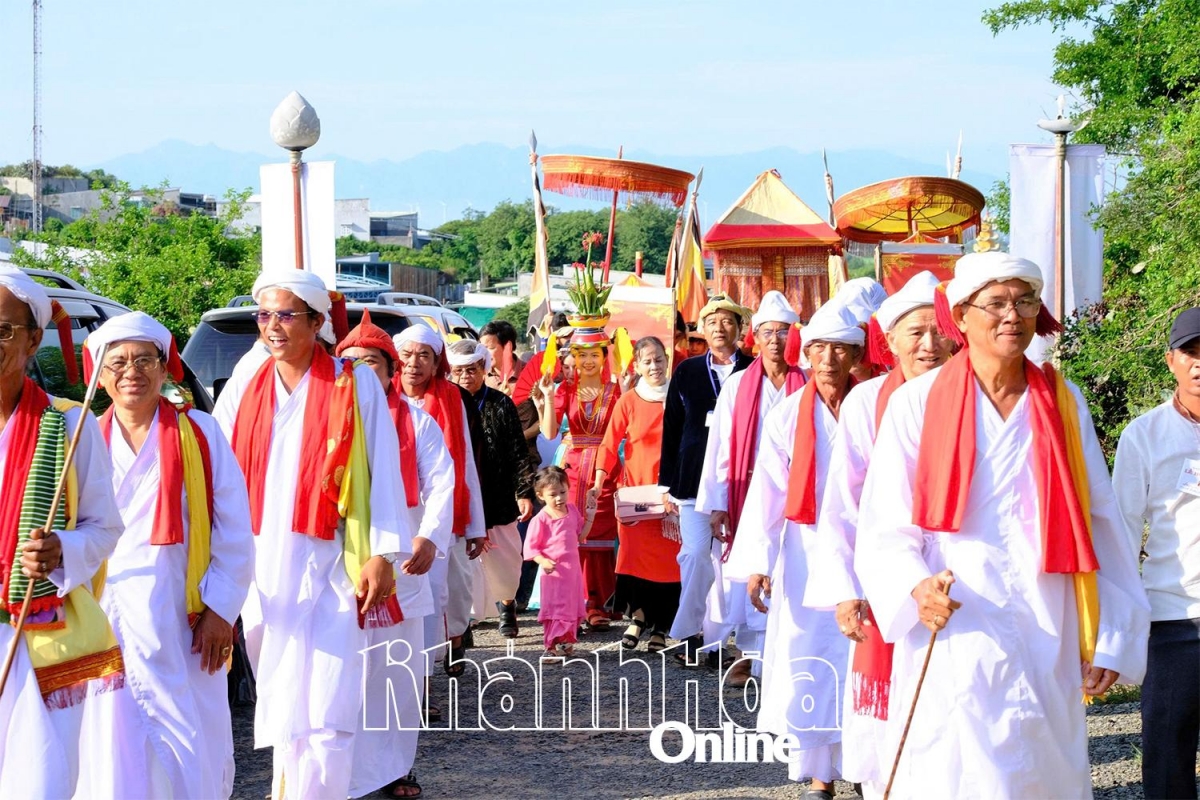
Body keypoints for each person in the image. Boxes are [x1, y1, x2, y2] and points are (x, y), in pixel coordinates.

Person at [855, 251, 1151, 797]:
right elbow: (884, 526)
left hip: (1047, 623)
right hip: (955, 623)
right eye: (996, 303)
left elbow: (1100, 520)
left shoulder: (1063, 403)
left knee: (1042, 768)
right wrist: (914, 587)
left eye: (1025, 301)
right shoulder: (916, 406)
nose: (1012, 315)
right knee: (949, 770)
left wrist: (1109, 634)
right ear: (961, 317)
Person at [213, 269, 411, 799]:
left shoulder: (353, 380)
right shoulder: (247, 379)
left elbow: (382, 467)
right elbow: (218, 467)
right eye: (264, 315)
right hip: (262, 562)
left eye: (285, 315)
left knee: (330, 700)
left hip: (334, 557)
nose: (272, 326)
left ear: (318, 322)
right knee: (280, 697)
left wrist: (384, 553)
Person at [88, 312, 254, 799]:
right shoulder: (83, 441)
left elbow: (234, 529)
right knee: (106, 742)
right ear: (100, 376)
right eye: (116, 363)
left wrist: (221, 610)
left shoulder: (200, 432)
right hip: (104, 619)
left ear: (165, 369)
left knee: (188, 739)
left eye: (144, 360)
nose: (130, 372)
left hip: (181, 622)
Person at [802, 272, 951, 796]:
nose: (928, 346)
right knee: (888, 716)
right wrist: (845, 590)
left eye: (939, 332)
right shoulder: (867, 402)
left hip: (959, 577)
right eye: (914, 334)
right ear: (891, 341)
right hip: (887, 574)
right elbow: (843, 503)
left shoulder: (973, 396)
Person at [726, 300, 865, 798]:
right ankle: (819, 775)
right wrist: (758, 564)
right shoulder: (788, 414)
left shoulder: (871, 407)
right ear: (805, 355)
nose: (829, 360)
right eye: (819, 349)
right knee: (811, 659)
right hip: (805, 554)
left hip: (863, 551)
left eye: (841, 349)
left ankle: (868, 764)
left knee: (863, 660)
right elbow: (766, 491)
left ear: (857, 355)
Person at [0, 266, 125, 798]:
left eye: (2, 329)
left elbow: (104, 528)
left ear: (32, 341)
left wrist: (61, 549)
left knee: (37, 779)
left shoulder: (68, 426)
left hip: (33, 628)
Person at [338, 311, 455, 799]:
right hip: (337, 565)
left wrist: (428, 536)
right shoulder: (323, 420)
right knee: (340, 670)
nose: (362, 372)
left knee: (396, 672)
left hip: (402, 565)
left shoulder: (416, 420)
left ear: (390, 372)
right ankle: (335, 769)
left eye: (372, 363)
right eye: (351, 363)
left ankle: (393, 769)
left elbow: (441, 480)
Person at [1112, 306, 1200, 800]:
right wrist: (1121, 624)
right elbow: (1122, 528)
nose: (1199, 364)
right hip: (1172, 621)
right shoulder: (1144, 435)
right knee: (1168, 761)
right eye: (1190, 352)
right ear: (1170, 360)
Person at [697, 290, 806, 681]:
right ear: (754, 338)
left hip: (795, 490)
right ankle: (750, 651)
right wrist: (716, 502)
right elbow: (720, 447)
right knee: (746, 568)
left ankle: (785, 648)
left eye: (783, 331)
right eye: (767, 332)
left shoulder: (807, 382)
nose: (775, 339)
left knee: (788, 564)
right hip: (745, 492)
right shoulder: (739, 385)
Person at [660, 295, 753, 662]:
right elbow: (672, 427)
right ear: (703, 328)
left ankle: (736, 641)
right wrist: (667, 482)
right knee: (696, 555)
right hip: (691, 478)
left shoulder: (755, 369)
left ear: (739, 327)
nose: (719, 327)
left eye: (727, 320)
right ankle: (687, 633)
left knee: (737, 563)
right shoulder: (687, 371)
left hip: (740, 480)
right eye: (712, 321)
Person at [392, 325, 486, 674]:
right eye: (407, 354)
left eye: (424, 356)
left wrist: (476, 524)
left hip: (441, 514)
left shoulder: (451, 399)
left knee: (445, 597)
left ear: (435, 365)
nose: (414, 363)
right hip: (395, 516)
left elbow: (465, 465)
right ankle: (417, 681)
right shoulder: (380, 400)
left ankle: (435, 662)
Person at [595, 337, 680, 652]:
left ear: (667, 359)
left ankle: (660, 627)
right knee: (634, 559)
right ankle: (638, 618)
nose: (654, 366)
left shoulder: (681, 395)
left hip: (672, 496)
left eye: (658, 359)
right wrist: (598, 482)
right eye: (647, 361)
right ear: (637, 365)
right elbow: (608, 444)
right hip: (637, 496)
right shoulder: (628, 401)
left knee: (670, 562)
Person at [446, 339, 535, 638]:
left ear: (484, 369)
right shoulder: (447, 403)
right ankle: (464, 622)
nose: (465, 377)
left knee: (507, 558)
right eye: (459, 371)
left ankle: (507, 604)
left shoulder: (501, 403)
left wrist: (523, 491)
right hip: (460, 495)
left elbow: (518, 451)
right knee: (462, 562)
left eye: (472, 370)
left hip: (497, 494)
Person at [536, 324, 621, 630]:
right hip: (571, 466)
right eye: (580, 355)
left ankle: (601, 603)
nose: (587, 362)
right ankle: (576, 604)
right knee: (567, 532)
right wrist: (546, 396)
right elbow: (548, 432)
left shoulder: (616, 390)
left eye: (593, 355)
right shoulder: (564, 390)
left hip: (606, 465)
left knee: (601, 533)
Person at [524, 466, 593, 657]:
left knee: (570, 606)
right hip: (553, 573)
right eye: (553, 494)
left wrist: (591, 516)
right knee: (556, 608)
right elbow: (531, 547)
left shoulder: (571, 510)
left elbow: (580, 536)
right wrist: (542, 561)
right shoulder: (541, 519)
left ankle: (566, 642)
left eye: (563, 492)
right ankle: (551, 645)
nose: (559, 498)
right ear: (541, 495)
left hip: (572, 572)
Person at [480, 319, 524, 396]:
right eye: (482, 348)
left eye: (490, 348)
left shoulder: (529, 373)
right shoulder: (481, 375)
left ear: (507, 347)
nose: (484, 353)